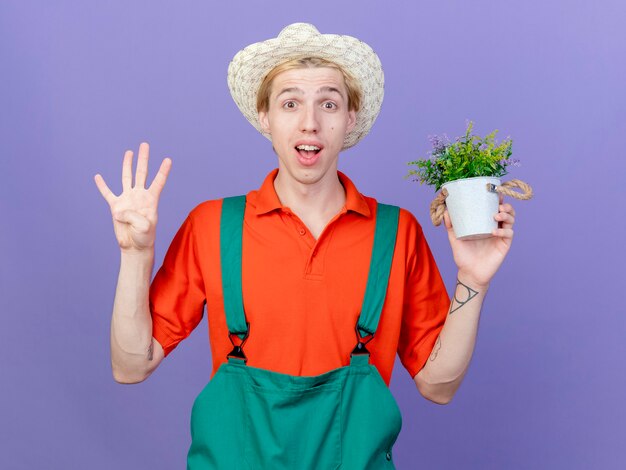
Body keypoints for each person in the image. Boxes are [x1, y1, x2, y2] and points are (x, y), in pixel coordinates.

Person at [94, 23, 516, 469]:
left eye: (328, 104)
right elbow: (130, 366)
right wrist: (135, 256)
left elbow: (439, 385)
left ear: (349, 119)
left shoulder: (397, 234)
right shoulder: (213, 226)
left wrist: (473, 279)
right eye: (289, 103)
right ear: (265, 118)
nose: (309, 122)